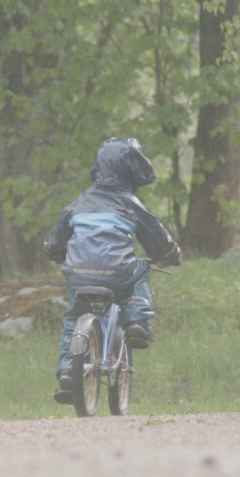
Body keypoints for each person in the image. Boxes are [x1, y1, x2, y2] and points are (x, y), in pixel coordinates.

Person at [43, 137, 181, 405]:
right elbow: (156, 237)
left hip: (77, 276)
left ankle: (66, 373)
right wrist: (169, 255)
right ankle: (138, 321)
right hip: (118, 273)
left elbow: (56, 241)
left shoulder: (78, 203)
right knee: (140, 269)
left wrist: (55, 253)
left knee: (74, 318)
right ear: (132, 171)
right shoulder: (129, 203)